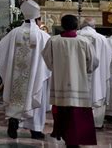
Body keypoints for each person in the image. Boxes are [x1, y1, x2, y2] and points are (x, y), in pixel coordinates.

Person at [42, 14, 99, 147]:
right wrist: (85, 70)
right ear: (76, 25)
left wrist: (55, 68)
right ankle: (75, 138)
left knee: (62, 110)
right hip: (79, 82)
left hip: (60, 82)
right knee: (77, 112)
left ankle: (65, 135)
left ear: (62, 25)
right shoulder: (84, 41)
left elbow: (47, 59)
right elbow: (93, 62)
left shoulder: (53, 41)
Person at [0, 0, 51, 140]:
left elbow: (2, 49)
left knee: (16, 97)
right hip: (36, 76)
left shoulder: (14, 33)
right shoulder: (43, 36)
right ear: (38, 19)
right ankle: (36, 130)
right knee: (35, 95)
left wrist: (8, 69)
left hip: (15, 77)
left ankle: (14, 121)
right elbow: (49, 57)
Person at [78, 17, 112, 128]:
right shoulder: (101, 38)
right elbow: (108, 57)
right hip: (96, 74)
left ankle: (77, 120)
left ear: (82, 25)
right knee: (97, 91)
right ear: (94, 26)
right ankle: (96, 122)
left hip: (77, 74)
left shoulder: (76, 35)